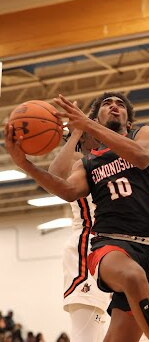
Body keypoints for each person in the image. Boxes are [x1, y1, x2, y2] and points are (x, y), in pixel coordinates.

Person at [5, 92, 149, 342]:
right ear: (96, 120)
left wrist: (87, 124)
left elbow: (142, 156)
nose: (113, 106)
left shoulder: (144, 135)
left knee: (119, 336)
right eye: (106, 104)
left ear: (129, 122)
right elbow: (66, 189)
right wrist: (25, 165)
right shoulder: (88, 163)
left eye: (119, 104)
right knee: (132, 276)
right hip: (110, 244)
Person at [48, 126, 110, 342]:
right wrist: (75, 132)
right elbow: (54, 175)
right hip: (86, 248)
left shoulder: (116, 159)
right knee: (86, 337)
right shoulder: (81, 161)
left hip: (112, 251)